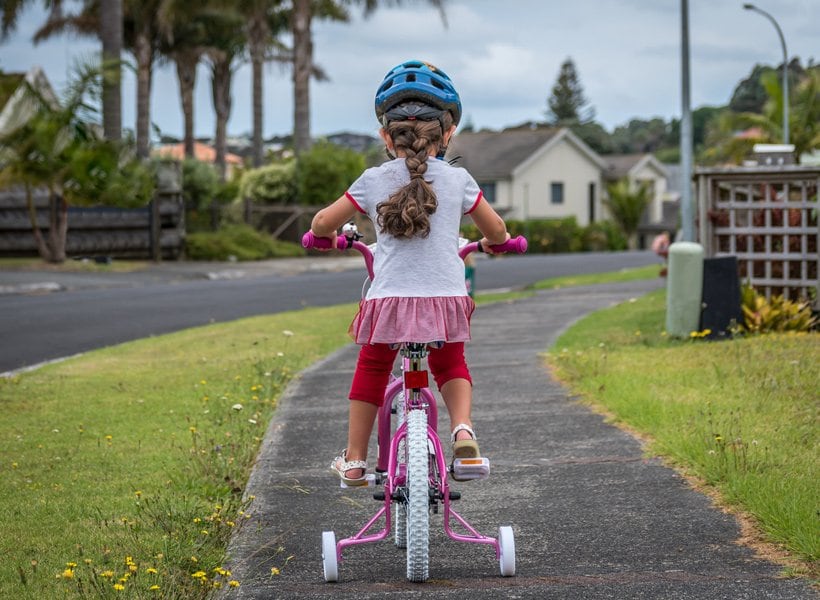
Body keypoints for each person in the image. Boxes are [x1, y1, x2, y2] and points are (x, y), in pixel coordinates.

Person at [309, 60, 510, 486]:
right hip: (446, 299)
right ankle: (462, 430)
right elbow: (496, 230)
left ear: (386, 135)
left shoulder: (371, 179)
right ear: (448, 132)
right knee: (451, 362)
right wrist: (498, 242)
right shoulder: (460, 180)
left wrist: (320, 236)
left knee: (373, 366)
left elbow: (323, 224)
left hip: (389, 301)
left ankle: (357, 459)